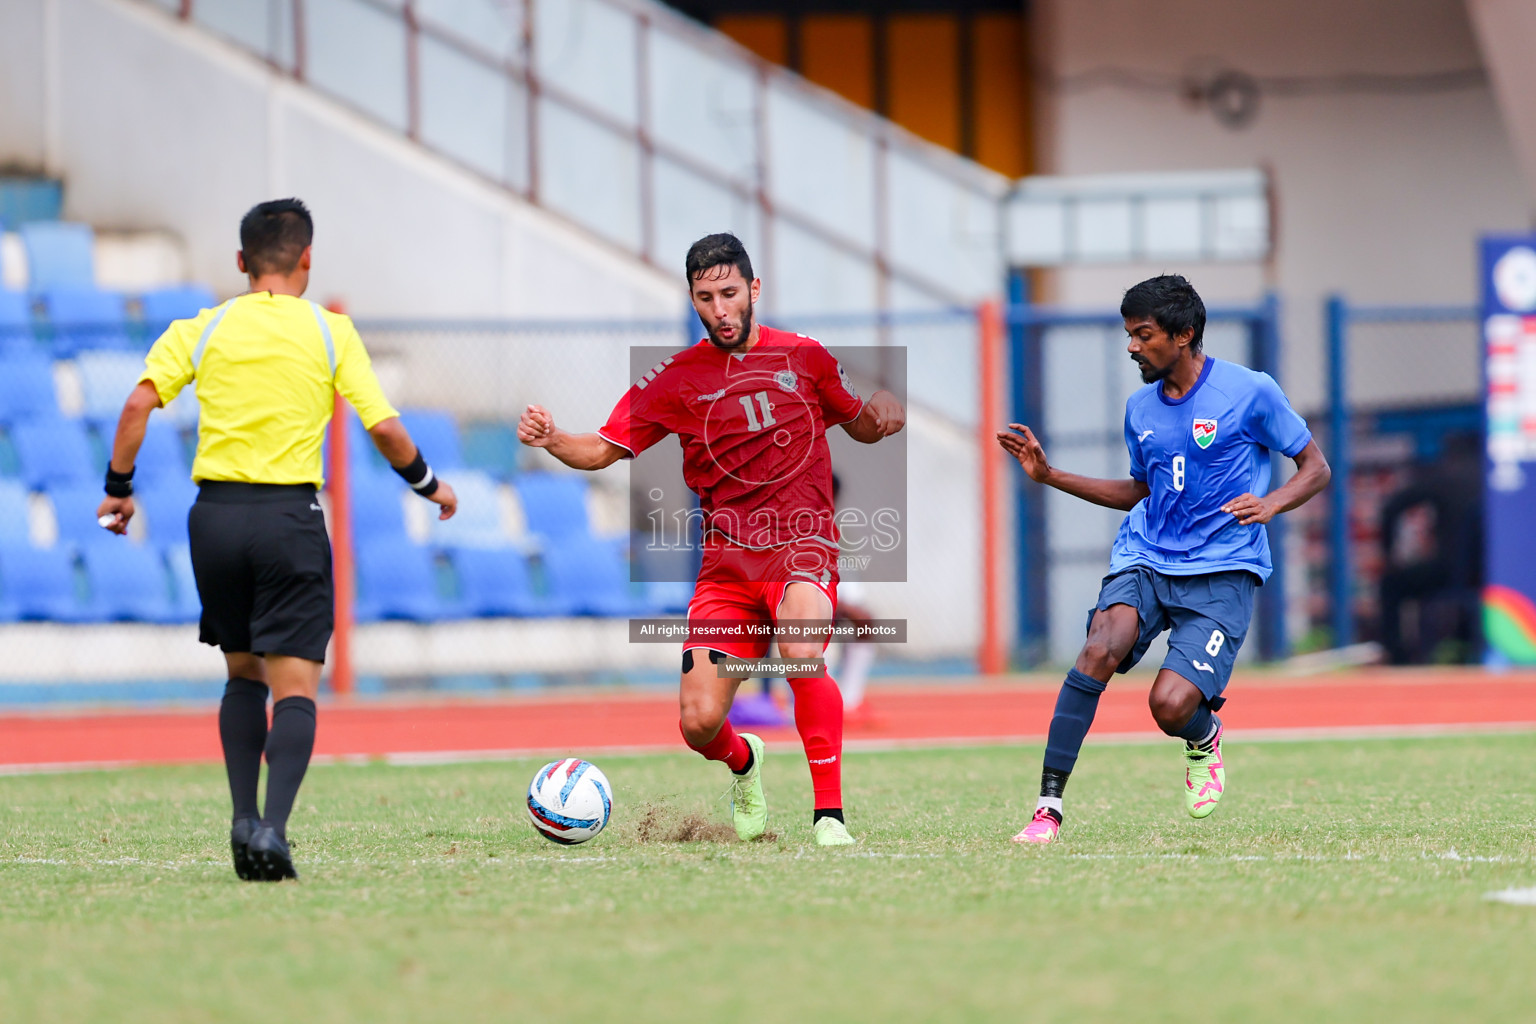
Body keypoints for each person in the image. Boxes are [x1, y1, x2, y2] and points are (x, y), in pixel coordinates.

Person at [97, 198, 457, 880]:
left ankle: (240, 818)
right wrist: (427, 482)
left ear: (241, 262)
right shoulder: (328, 332)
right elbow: (382, 427)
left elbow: (139, 402)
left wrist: (118, 487)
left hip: (215, 519)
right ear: (307, 259)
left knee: (241, 674)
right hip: (287, 520)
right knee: (294, 687)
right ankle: (272, 831)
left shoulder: (203, 327)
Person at [517, 232, 904, 846]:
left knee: (803, 653)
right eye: (706, 297)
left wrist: (883, 410)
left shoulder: (805, 357)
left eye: (729, 293)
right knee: (697, 723)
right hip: (727, 569)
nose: (720, 309)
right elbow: (599, 450)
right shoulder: (675, 379)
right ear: (694, 300)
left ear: (753, 290)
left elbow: (861, 425)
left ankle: (828, 815)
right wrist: (553, 437)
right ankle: (744, 762)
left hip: (803, 548)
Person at [998, 274, 1329, 844]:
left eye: (1142, 335)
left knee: (1170, 705)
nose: (1132, 347)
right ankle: (1047, 808)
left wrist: (1272, 503)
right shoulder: (1140, 408)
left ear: (1184, 334)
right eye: (1129, 335)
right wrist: (1049, 476)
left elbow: (1315, 467)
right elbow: (1139, 491)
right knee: (1101, 645)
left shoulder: (1250, 392)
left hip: (1223, 567)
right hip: (1147, 554)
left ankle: (1203, 736)